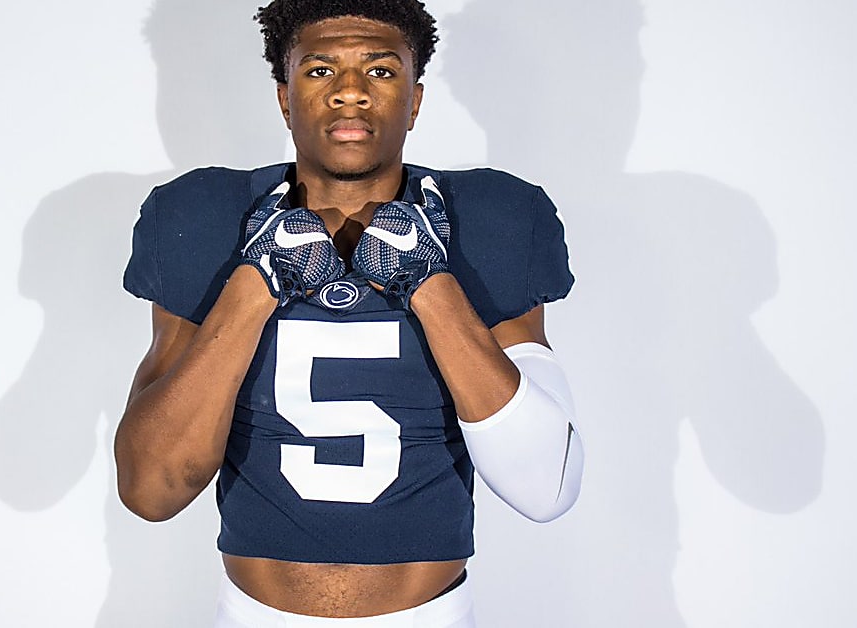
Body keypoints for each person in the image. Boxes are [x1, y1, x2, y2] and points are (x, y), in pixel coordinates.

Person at [115, 1, 584, 625]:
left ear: (415, 102)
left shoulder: (493, 217)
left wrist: (430, 283)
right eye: (320, 70)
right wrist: (254, 283)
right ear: (284, 100)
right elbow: (151, 489)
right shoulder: (203, 216)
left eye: (381, 70)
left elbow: (546, 487)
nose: (350, 91)